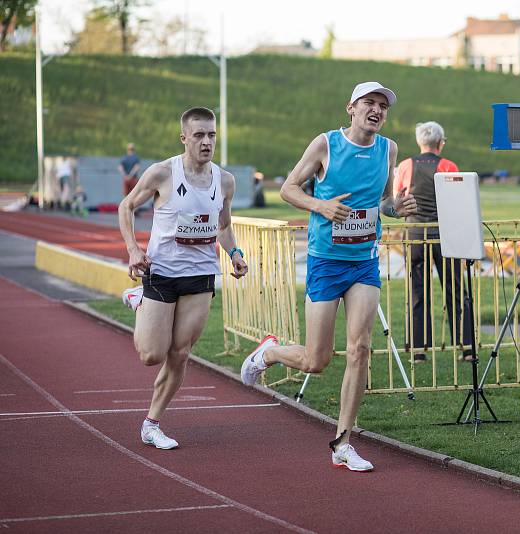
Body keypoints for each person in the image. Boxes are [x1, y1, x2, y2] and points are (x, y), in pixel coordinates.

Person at [240, 81, 416, 472]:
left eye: (383, 106)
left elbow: (382, 202)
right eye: (369, 103)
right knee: (316, 360)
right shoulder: (326, 145)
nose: (377, 110)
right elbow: (287, 188)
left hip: (364, 262)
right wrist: (320, 205)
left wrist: (395, 208)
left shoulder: (389, 149)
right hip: (326, 262)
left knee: (360, 349)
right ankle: (268, 353)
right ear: (351, 108)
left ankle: (343, 442)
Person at [118, 107, 248, 450]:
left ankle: (152, 423)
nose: (207, 142)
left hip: (201, 275)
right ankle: (140, 301)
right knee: (151, 354)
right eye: (200, 135)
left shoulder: (225, 180)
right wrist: (133, 249)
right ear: (184, 138)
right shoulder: (162, 173)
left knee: (181, 353)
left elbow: (222, 224)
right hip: (162, 272)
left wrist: (234, 254)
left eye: (212, 135)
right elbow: (126, 207)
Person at [393, 121, 474, 362]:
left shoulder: (406, 165)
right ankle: (466, 346)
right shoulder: (448, 166)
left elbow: (398, 198)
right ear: (440, 143)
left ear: (420, 142)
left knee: (417, 290)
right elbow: (458, 201)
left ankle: (418, 351)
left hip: (415, 233)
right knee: (456, 289)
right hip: (445, 234)